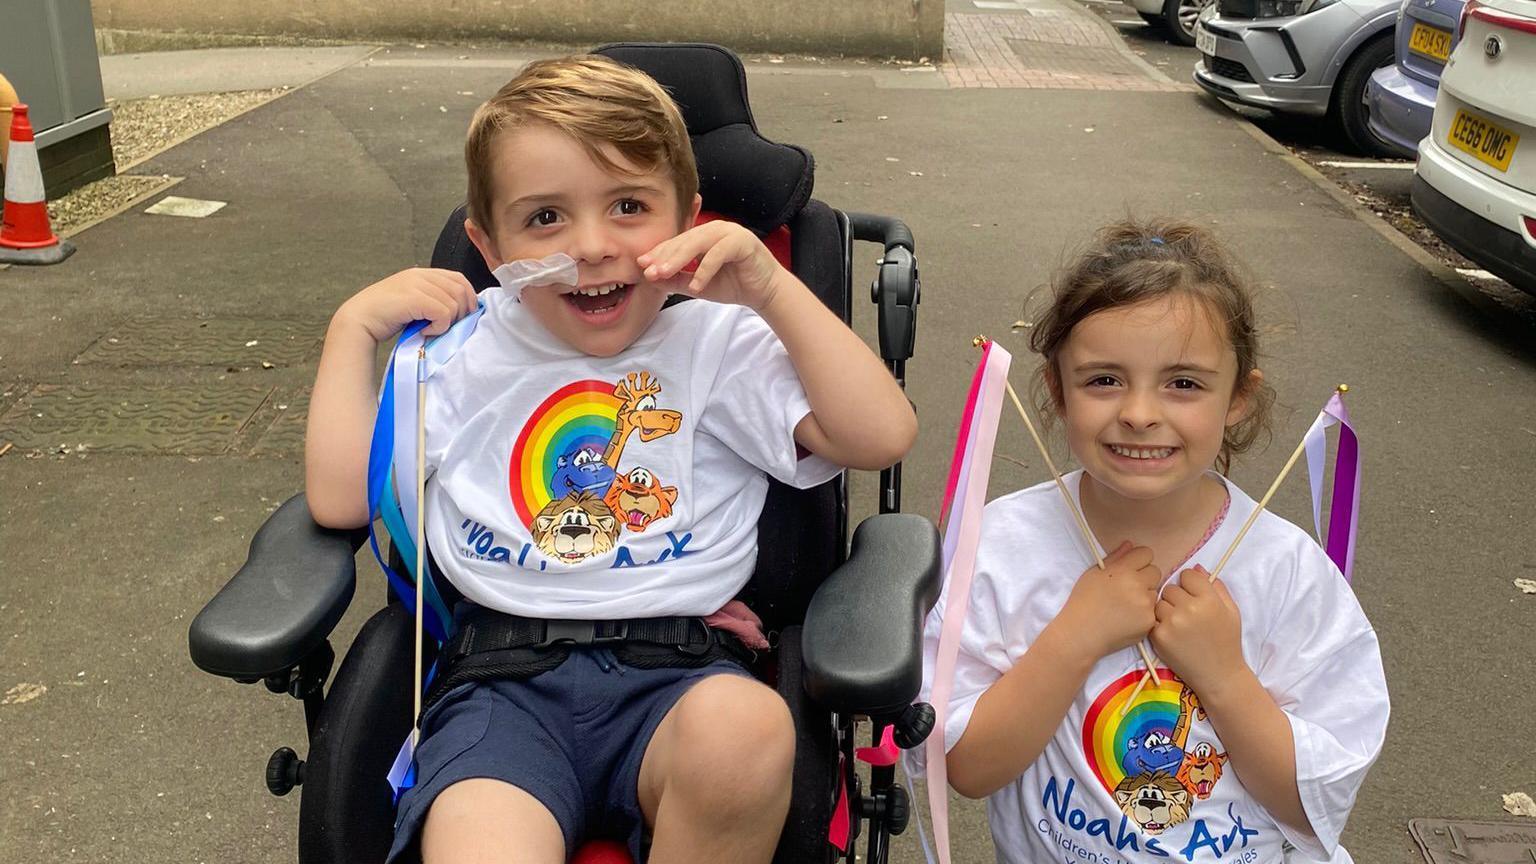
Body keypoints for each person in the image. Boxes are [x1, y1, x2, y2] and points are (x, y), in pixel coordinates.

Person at [304, 55, 916, 864]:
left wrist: (770, 289)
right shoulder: (461, 353)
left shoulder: (718, 341)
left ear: (688, 221)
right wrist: (350, 332)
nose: (591, 247)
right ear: (488, 246)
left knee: (746, 732)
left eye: (629, 206)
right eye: (545, 219)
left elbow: (880, 436)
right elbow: (345, 500)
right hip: (501, 686)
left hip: (683, 672)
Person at [917, 218, 1387, 863]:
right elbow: (967, 768)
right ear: (1056, 389)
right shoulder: (999, 545)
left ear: (1238, 399)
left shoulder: (1286, 573)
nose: (1139, 412)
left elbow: (1314, 802)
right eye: (1103, 379)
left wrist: (1224, 678)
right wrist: (1073, 639)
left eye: (1184, 383)